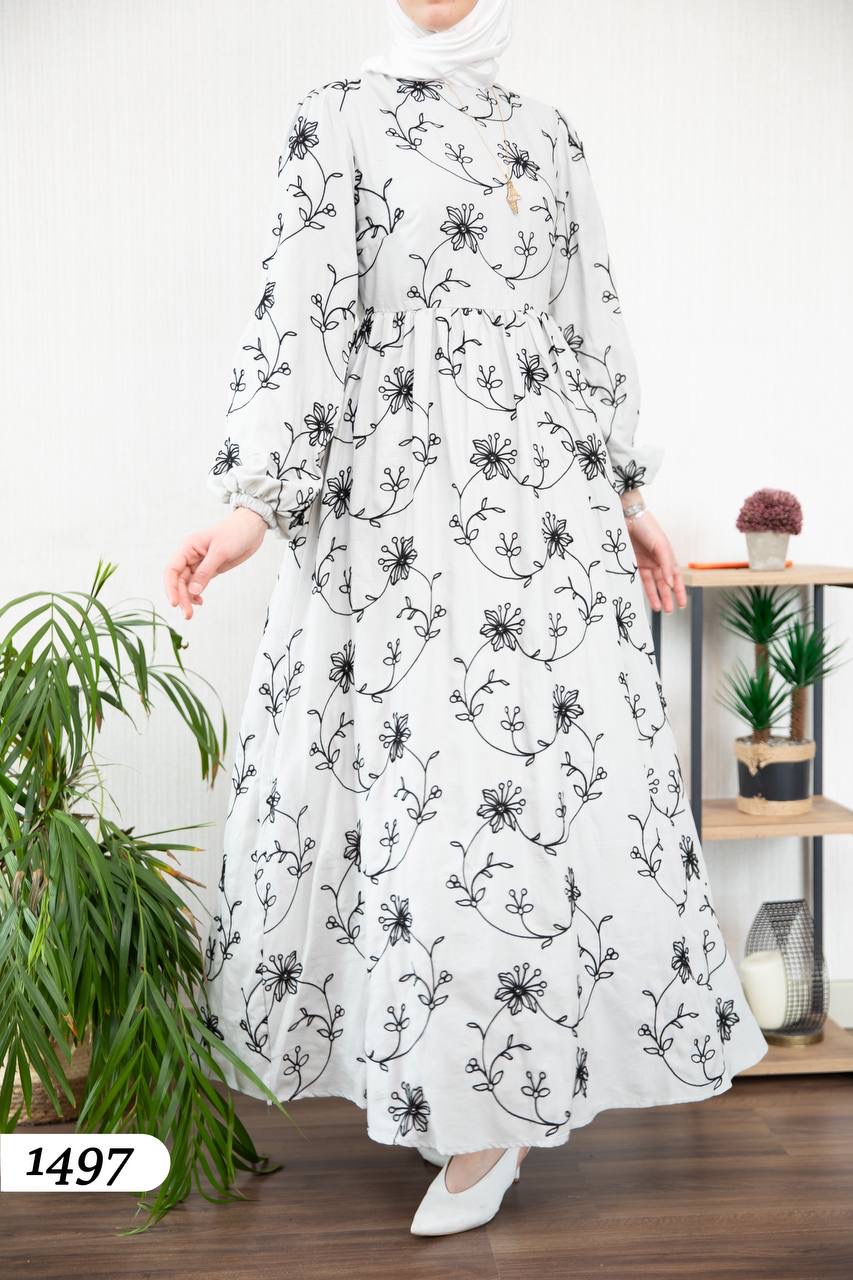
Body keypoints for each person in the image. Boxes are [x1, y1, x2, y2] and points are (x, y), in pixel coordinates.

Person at [164, 0, 769, 1237]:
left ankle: (498, 1096)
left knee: (529, 787)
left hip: (548, 516)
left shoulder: (548, 134)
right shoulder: (335, 118)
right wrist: (251, 507)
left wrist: (631, 496)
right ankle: (451, 1079)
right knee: (425, 792)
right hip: (395, 512)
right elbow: (298, 319)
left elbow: (590, 324)